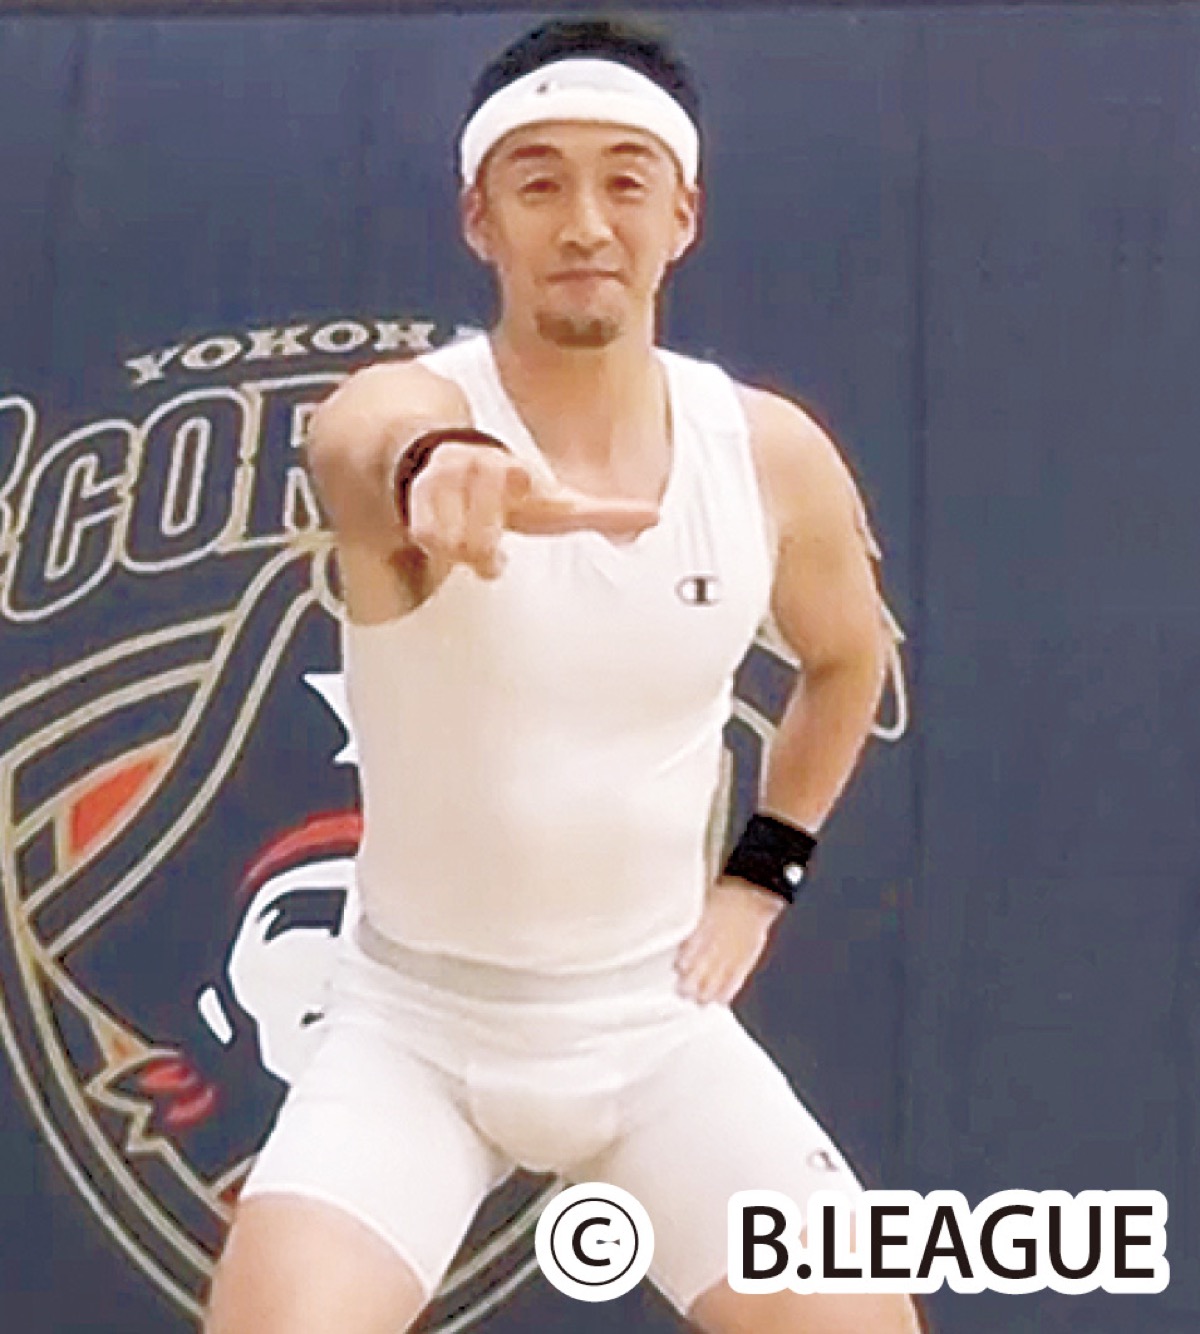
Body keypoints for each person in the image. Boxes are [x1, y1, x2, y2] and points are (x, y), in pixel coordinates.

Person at [206, 18, 920, 1334]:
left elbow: (844, 659)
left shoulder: (768, 455)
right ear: (479, 220)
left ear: (682, 216)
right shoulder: (412, 410)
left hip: (656, 1028)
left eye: (624, 182)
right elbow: (359, 437)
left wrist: (762, 876)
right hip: (407, 1033)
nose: (586, 223)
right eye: (539, 184)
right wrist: (437, 465)